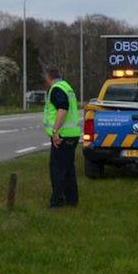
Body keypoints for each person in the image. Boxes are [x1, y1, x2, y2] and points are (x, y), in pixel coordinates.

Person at [42, 66, 81, 208]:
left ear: (49, 77)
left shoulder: (57, 89)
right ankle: (72, 200)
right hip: (72, 134)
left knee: (57, 170)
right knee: (68, 169)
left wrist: (55, 131)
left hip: (62, 136)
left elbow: (62, 109)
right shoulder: (67, 87)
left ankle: (57, 202)